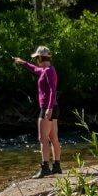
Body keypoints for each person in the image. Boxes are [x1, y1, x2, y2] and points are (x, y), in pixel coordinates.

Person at [13, 46, 61, 178]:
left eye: (37, 58)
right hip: (52, 107)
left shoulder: (49, 71)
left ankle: (45, 168)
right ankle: (57, 166)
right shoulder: (46, 70)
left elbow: (52, 90)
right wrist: (22, 63)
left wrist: (49, 108)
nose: (36, 61)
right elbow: (34, 69)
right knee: (53, 138)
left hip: (48, 108)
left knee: (42, 138)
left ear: (40, 58)